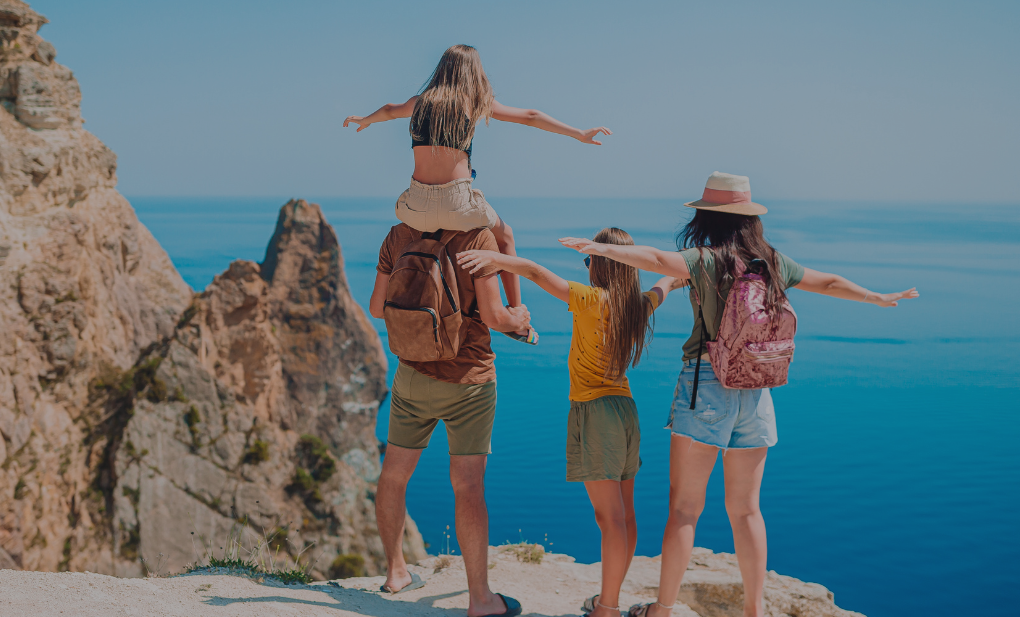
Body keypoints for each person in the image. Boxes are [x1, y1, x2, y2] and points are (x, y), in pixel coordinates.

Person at [559, 172, 919, 617]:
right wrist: (876, 297)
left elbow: (652, 258)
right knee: (747, 511)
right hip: (758, 389)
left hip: (706, 386)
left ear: (707, 217)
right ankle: (753, 609)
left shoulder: (706, 260)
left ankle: (663, 609)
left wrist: (601, 249)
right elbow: (827, 282)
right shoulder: (772, 262)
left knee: (685, 509)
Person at [457, 228, 686, 617]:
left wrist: (495, 261)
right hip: (625, 411)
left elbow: (534, 271)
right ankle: (607, 600)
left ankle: (608, 608)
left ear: (600, 264)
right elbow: (663, 286)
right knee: (624, 515)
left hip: (596, 413)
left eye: (589, 261)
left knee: (609, 518)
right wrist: (677, 277)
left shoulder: (591, 299)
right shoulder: (637, 305)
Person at [345, 44, 611, 343]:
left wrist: (365, 119)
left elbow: (389, 111)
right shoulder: (473, 102)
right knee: (506, 235)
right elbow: (530, 116)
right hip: (457, 203)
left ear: (442, 69)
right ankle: (516, 314)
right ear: (474, 73)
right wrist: (578, 133)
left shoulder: (419, 102)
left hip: (415, 204)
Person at [370, 221, 531, 617]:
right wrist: (520, 318)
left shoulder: (399, 235)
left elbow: (377, 308)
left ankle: (396, 573)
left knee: (393, 475)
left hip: (412, 374)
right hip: (469, 381)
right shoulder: (477, 239)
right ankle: (480, 600)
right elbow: (495, 316)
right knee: (468, 487)